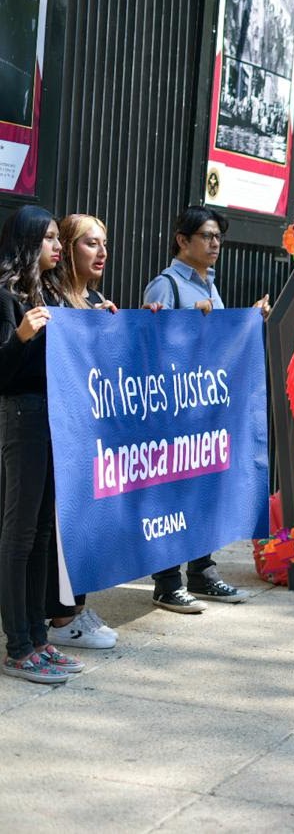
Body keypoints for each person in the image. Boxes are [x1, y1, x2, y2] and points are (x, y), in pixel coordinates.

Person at [141, 206, 267, 613]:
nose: (215, 244)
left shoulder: (210, 286)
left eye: (218, 238)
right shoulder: (165, 287)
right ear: (183, 240)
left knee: (201, 491)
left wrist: (248, 320)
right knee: (170, 495)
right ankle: (165, 581)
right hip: (173, 413)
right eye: (208, 236)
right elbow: (152, 348)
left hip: (204, 411)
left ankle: (202, 572)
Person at [0, 205, 84, 682]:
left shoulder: (49, 291)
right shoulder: (5, 295)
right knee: (19, 534)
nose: (58, 246)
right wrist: (20, 336)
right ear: (29, 242)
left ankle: (38, 638)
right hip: (23, 417)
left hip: (55, 419)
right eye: (51, 238)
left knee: (41, 533)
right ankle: (17, 646)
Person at [44, 214, 119, 648]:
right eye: (91, 244)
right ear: (68, 249)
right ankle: (61, 617)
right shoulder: (51, 299)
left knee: (86, 523)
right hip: (59, 437)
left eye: (104, 244)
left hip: (91, 438)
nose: (102, 253)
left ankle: (76, 606)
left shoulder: (95, 300)